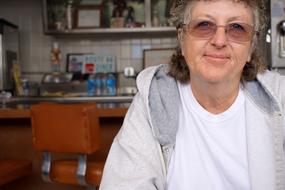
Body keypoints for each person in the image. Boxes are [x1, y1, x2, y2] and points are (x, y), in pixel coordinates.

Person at [99, 0, 285, 189]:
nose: (219, 41)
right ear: (182, 39)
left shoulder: (280, 98)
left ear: (251, 47)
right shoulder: (153, 98)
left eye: (237, 28)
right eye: (204, 25)